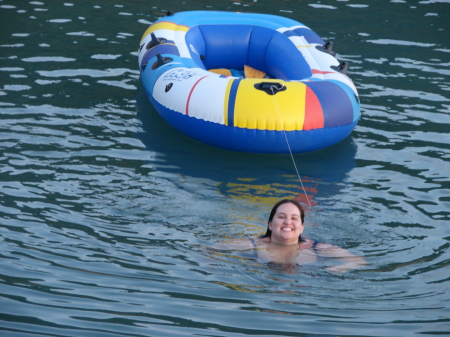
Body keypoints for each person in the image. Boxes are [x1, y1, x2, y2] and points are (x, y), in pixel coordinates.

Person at [212, 199, 367, 274]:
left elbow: (358, 261)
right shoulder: (252, 244)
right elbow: (210, 250)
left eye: (294, 218)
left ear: (301, 228)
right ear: (270, 225)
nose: (287, 222)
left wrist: (339, 268)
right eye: (281, 217)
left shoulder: (318, 248)